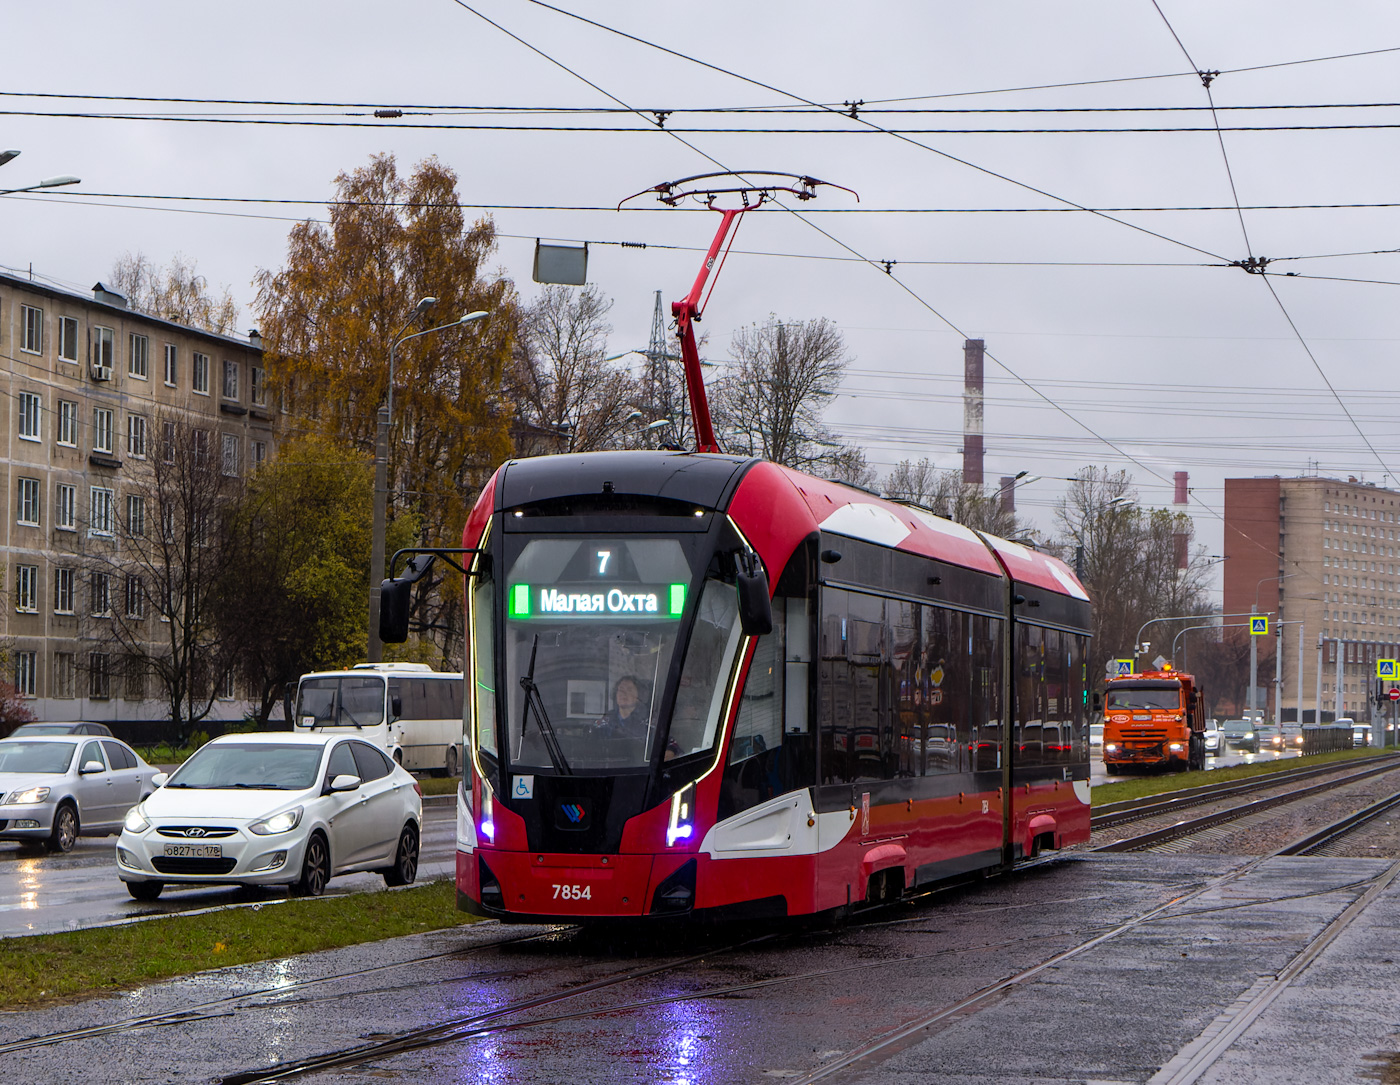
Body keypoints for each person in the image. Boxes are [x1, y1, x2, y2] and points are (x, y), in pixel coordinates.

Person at [597, 677, 649, 743]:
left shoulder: (646, 720)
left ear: (639, 696)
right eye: (621, 690)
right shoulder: (608, 717)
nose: (623, 694)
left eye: (629, 690)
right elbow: (596, 732)